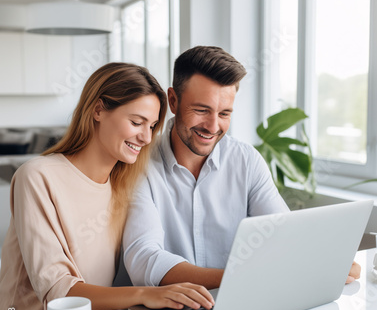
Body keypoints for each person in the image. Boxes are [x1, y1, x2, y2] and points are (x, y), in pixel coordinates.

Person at [0, 62, 214, 310]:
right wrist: (147, 294)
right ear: (98, 110)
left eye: (152, 126)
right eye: (136, 122)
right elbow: (59, 293)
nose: (146, 137)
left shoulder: (125, 186)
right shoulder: (37, 177)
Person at [123, 46, 361, 288]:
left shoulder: (246, 160)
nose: (213, 126)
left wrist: (324, 261)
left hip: (243, 303)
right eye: (202, 110)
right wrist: (241, 280)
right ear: (173, 100)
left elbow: (283, 234)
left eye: (224, 113)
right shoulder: (139, 163)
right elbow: (144, 260)